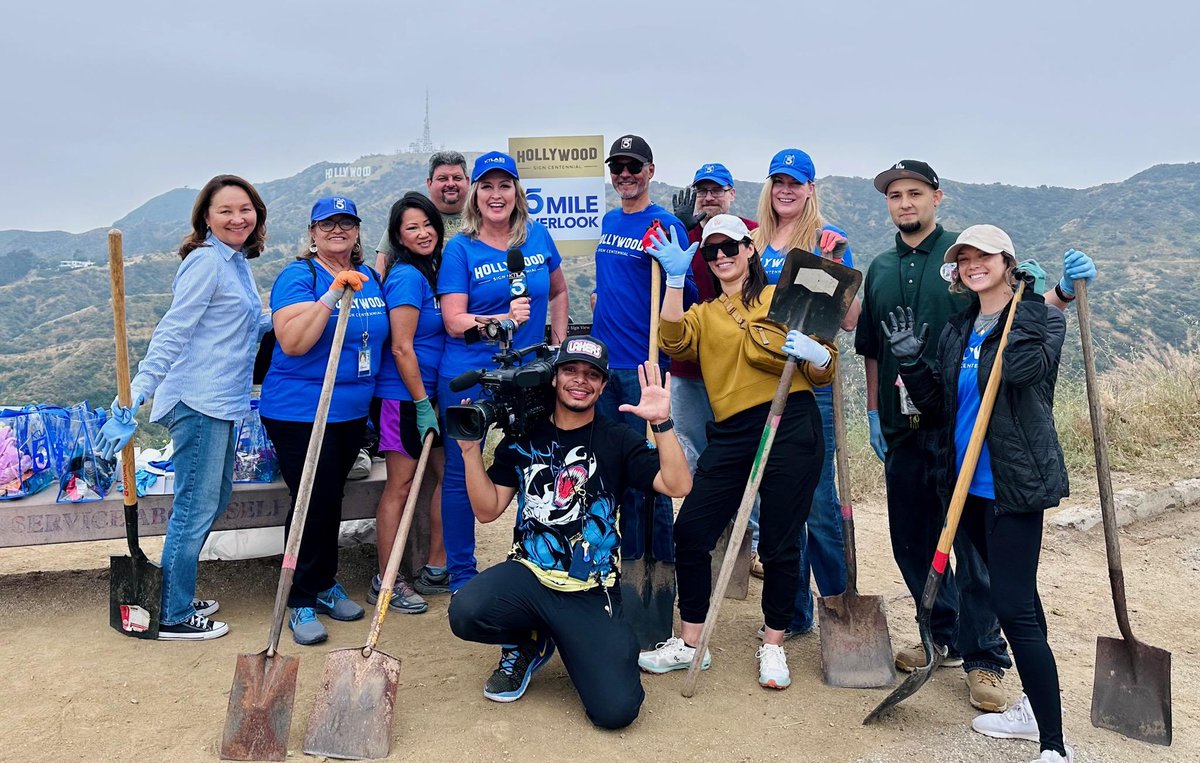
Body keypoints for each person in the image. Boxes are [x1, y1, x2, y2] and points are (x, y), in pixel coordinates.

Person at [856, 159, 1097, 712]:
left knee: (977, 556)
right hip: (906, 428)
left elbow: (1010, 323)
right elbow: (872, 348)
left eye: (915, 193)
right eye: (895, 195)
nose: (905, 203)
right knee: (913, 542)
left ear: (936, 197)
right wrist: (874, 409)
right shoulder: (881, 267)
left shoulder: (962, 257)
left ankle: (984, 655)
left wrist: (1057, 296)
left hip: (968, 437)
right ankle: (940, 635)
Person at [882, 224, 1073, 763]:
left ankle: (1054, 746)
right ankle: (1033, 711)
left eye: (983, 256)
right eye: (964, 258)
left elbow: (1025, 371)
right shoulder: (959, 328)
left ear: (1008, 262)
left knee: (1013, 608)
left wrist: (1028, 306)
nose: (972, 265)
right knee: (1022, 600)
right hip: (965, 488)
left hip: (1012, 486)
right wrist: (911, 362)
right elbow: (938, 407)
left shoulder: (1040, 320)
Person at [448, 339, 691, 728]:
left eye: (592, 374)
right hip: (529, 575)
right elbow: (487, 509)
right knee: (465, 612)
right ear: (554, 378)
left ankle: (571, 637)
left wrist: (661, 422)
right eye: (571, 371)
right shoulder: (524, 438)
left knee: (616, 711)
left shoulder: (617, 439)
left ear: (603, 385)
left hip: (589, 589)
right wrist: (469, 453)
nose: (581, 380)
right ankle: (529, 640)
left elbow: (678, 485)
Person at [639, 214, 837, 689]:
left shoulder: (781, 298)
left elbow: (825, 368)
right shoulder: (704, 314)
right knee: (691, 530)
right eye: (712, 251)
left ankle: (774, 644)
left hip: (791, 420)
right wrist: (675, 281)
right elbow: (672, 341)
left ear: (750, 248)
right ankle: (691, 642)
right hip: (731, 430)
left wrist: (817, 353)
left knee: (780, 540)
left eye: (730, 246)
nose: (722, 256)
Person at [100, 174, 269, 640]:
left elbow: (246, 324)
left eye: (245, 209)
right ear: (206, 219)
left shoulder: (236, 262)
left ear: (256, 215)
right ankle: (170, 614)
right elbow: (173, 331)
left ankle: (173, 589)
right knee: (195, 507)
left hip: (224, 402)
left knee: (214, 499)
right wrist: (136, 393)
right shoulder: (206, 261)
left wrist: (310, 310)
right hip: (199, 401)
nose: (237, 218)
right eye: (225, 211)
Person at [259, 196, 389, 645]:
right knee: (310, 501)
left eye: (346, 223)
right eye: (328, 223)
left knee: (330, 498)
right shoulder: (300, 276)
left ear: (357, 231)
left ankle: (324, 583)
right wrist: (332, 294)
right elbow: (293, 342)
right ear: (312, 232)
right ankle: (299, 598)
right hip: (300, 410)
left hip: (350, 411)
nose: (338, 230)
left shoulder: (370, 278)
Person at [437, 151, 569, 592]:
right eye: (488, 186)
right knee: (462, 468)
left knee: (536, 465)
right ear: (476, 194)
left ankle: (533, 561)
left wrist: (558, 347)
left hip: (529, 373)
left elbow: (559, 291)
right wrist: (501, 321)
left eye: (505, 185)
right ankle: (461, 574)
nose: (497, 195)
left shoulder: (538, 236)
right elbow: (453, 320)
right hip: (471, 374)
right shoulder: (461, 247)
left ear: (517, 192)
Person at [748, 148, 858, 635]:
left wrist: (831, 266)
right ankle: (791, 614)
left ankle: (840, 609)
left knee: (818, 503)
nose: (786, 190)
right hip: (762, 386)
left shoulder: (826, 240)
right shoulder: (755, 241)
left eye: (795, 182)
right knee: (778, 505)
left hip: (811, 387)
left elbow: (849, 321)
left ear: (811, 188)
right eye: (779, 181)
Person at [590, 133, 696, 578]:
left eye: (634, 166)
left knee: (648, 477)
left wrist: (675, 272)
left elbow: (686, 295)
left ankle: (652, 570)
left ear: (650, 171)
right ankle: (611, 566)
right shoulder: (610, 220)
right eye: (617, 167)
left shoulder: (665, 225)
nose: (625, 174)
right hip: (602, 369)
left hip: (643, 368)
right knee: (607, 471)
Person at [369, 192, 448, 613]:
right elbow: (401, 347)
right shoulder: (405, 277)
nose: (422, 233)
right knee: (399, 486)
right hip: (402, 399)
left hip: (430, 395)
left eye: (428, 224)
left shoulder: (428, 273)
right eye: (411, 227)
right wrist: (420, 403)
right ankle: (387, 580)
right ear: (398, 237)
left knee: (449, 476)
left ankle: (436, 566)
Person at [667, 162, 758, 471]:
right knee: (692, 450)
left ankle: (747, 507)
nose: (709, 197)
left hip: (739, 366)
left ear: (731, 194)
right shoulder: (683, 235)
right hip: (689, 365)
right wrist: (679, 230)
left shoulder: (752, 233)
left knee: (743, 450)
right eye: (702, 191)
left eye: (716, 190)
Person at [375, 151, 469, 272]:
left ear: (467, 182)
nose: (450, 184)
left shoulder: (483, 217)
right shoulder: (408, 217)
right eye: (442, 179)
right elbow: (381, 270)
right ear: (429, 184)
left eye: (457, 178)